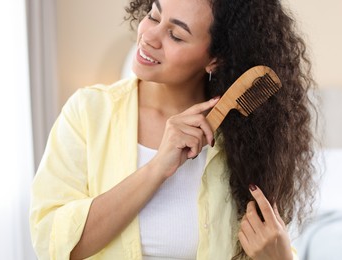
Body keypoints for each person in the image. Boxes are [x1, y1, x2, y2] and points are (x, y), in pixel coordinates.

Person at [30, 0, 317, 259]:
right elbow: (51, 242)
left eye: (176, 35)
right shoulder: (89, 112)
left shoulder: (244, 139)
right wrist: (157, 167)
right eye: (154, 17)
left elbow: (264, 240)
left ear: (215, 59)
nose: (149, 37)